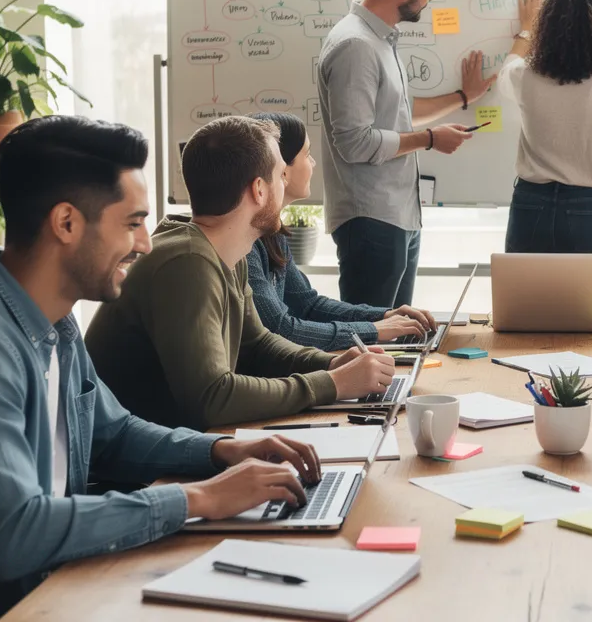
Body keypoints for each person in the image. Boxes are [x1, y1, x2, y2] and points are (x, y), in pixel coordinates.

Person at [0, 116, 329, 615]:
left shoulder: (52, 323)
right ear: (66, 224)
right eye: (131, 222)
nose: (145, 242)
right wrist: (197, 501)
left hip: (59, 584)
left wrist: (223, 452)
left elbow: (115, 433)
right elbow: (15, 532)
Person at [87, 116, 395, 431]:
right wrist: (331, 384)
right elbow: (213, 398)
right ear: (259, 190)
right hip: (145, 472)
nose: (285, 182)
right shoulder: (187, 263)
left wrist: (330, 363)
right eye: (280, 174)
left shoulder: (227, 253)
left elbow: (257, 344)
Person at [321, 0, 491, 309]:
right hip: (371, 219)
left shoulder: (378, 40)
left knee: (397, 342)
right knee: (376, 344)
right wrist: (430, 140)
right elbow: (354, 141)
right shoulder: (356, 46)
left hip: (397, 215)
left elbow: (398, 111)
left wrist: (464, 99)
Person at [245, 111, 438, 349]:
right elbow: (280, 328)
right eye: (307, 154)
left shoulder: (273, 233)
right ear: (282, 169)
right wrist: (373, 329)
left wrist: (384, 316)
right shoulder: (244, 244)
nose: (314, 163)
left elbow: (308, 305)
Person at [497, 0, 592, 257]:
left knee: (526, 300)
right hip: (589, 208)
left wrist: (525, 29)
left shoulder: (523, 76)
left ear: (545, 26)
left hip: (531, 204)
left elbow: (505, 73)